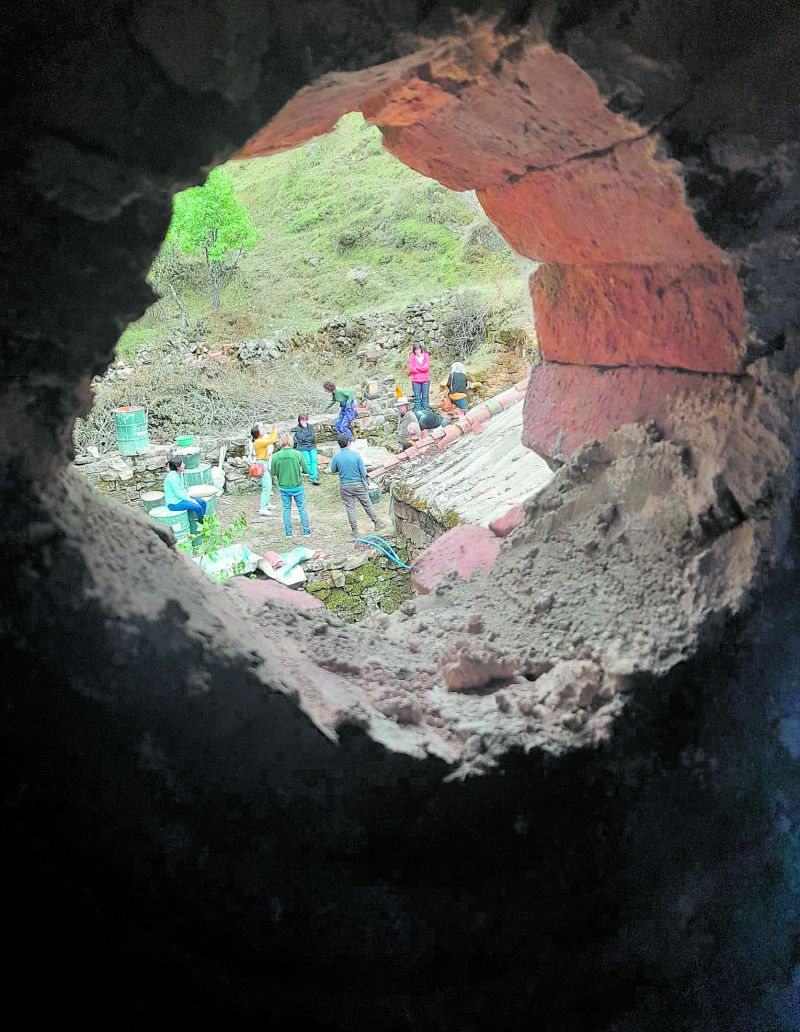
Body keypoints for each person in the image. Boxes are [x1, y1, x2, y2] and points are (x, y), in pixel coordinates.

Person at [330, 434, 385, 537]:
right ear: (349, 443)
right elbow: (363, 472)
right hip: (358, 484)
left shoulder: (336, 457)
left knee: (350, 508)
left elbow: (333, 470)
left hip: (345, 486)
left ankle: (355, 531)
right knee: (367, 504)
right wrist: (366, 482)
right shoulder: (356, 455)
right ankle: (377, 523)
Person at [270, 435, 311, 538]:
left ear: (281, 442)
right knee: (301, 508)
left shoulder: (275, 456)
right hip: (297, 486)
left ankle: (288, 533)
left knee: (286, 509)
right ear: (291, 442)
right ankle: (306, 531)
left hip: (284, 487)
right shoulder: (298, 454)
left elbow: (273, 472)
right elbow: (307, 470)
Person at [247, 421, 278, 515]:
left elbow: (269, 439)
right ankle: (263, 508)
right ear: (257, 432)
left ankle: (267, 503)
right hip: (262, 464)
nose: (263, 429)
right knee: (267, 486)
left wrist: (273, 430)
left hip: (262, 463)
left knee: (267, 485)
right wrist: (275, 429)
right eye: (261, 428)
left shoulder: (258, 441)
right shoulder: (259, 441)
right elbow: (271, 440)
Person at [163, 456, 206, 521]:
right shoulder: (172, 478)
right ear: (178, 467)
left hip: (180, 499)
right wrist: (191, 500)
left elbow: (181, 490)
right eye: (182, 464)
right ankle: (202, 525)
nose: (184, 465)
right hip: (174, 503)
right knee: (198, 507)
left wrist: (187, 494)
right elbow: (178, 494)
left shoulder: (177, 474)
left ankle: (203, 520)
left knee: (202, 502)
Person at [293, 413, 320, 485]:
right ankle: (312, 476)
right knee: (307, 462)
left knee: (314, 461)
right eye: (302, 420)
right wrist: (305, 429)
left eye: (305, 420)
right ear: (299, 421)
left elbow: (313, 437)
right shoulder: (297, 429)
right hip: (303, 447)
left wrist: (306, 438)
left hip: (312, 446)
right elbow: (301, 438)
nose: (304, 421)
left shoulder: (310, 426)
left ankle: (315, 476)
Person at [408, 341, 431, 414]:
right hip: (416, 381)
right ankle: (418, 413)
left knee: (425, 397)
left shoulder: (426, 356)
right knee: (417, 398)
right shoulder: (412, 357)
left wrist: (417, 368)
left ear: (421, 349)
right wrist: (421, 368)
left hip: (425, 380)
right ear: (414, 351)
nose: (417, 351)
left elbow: (427, 368)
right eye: (416, 350)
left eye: (418, 349)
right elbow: (411, 369)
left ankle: (426, 412)